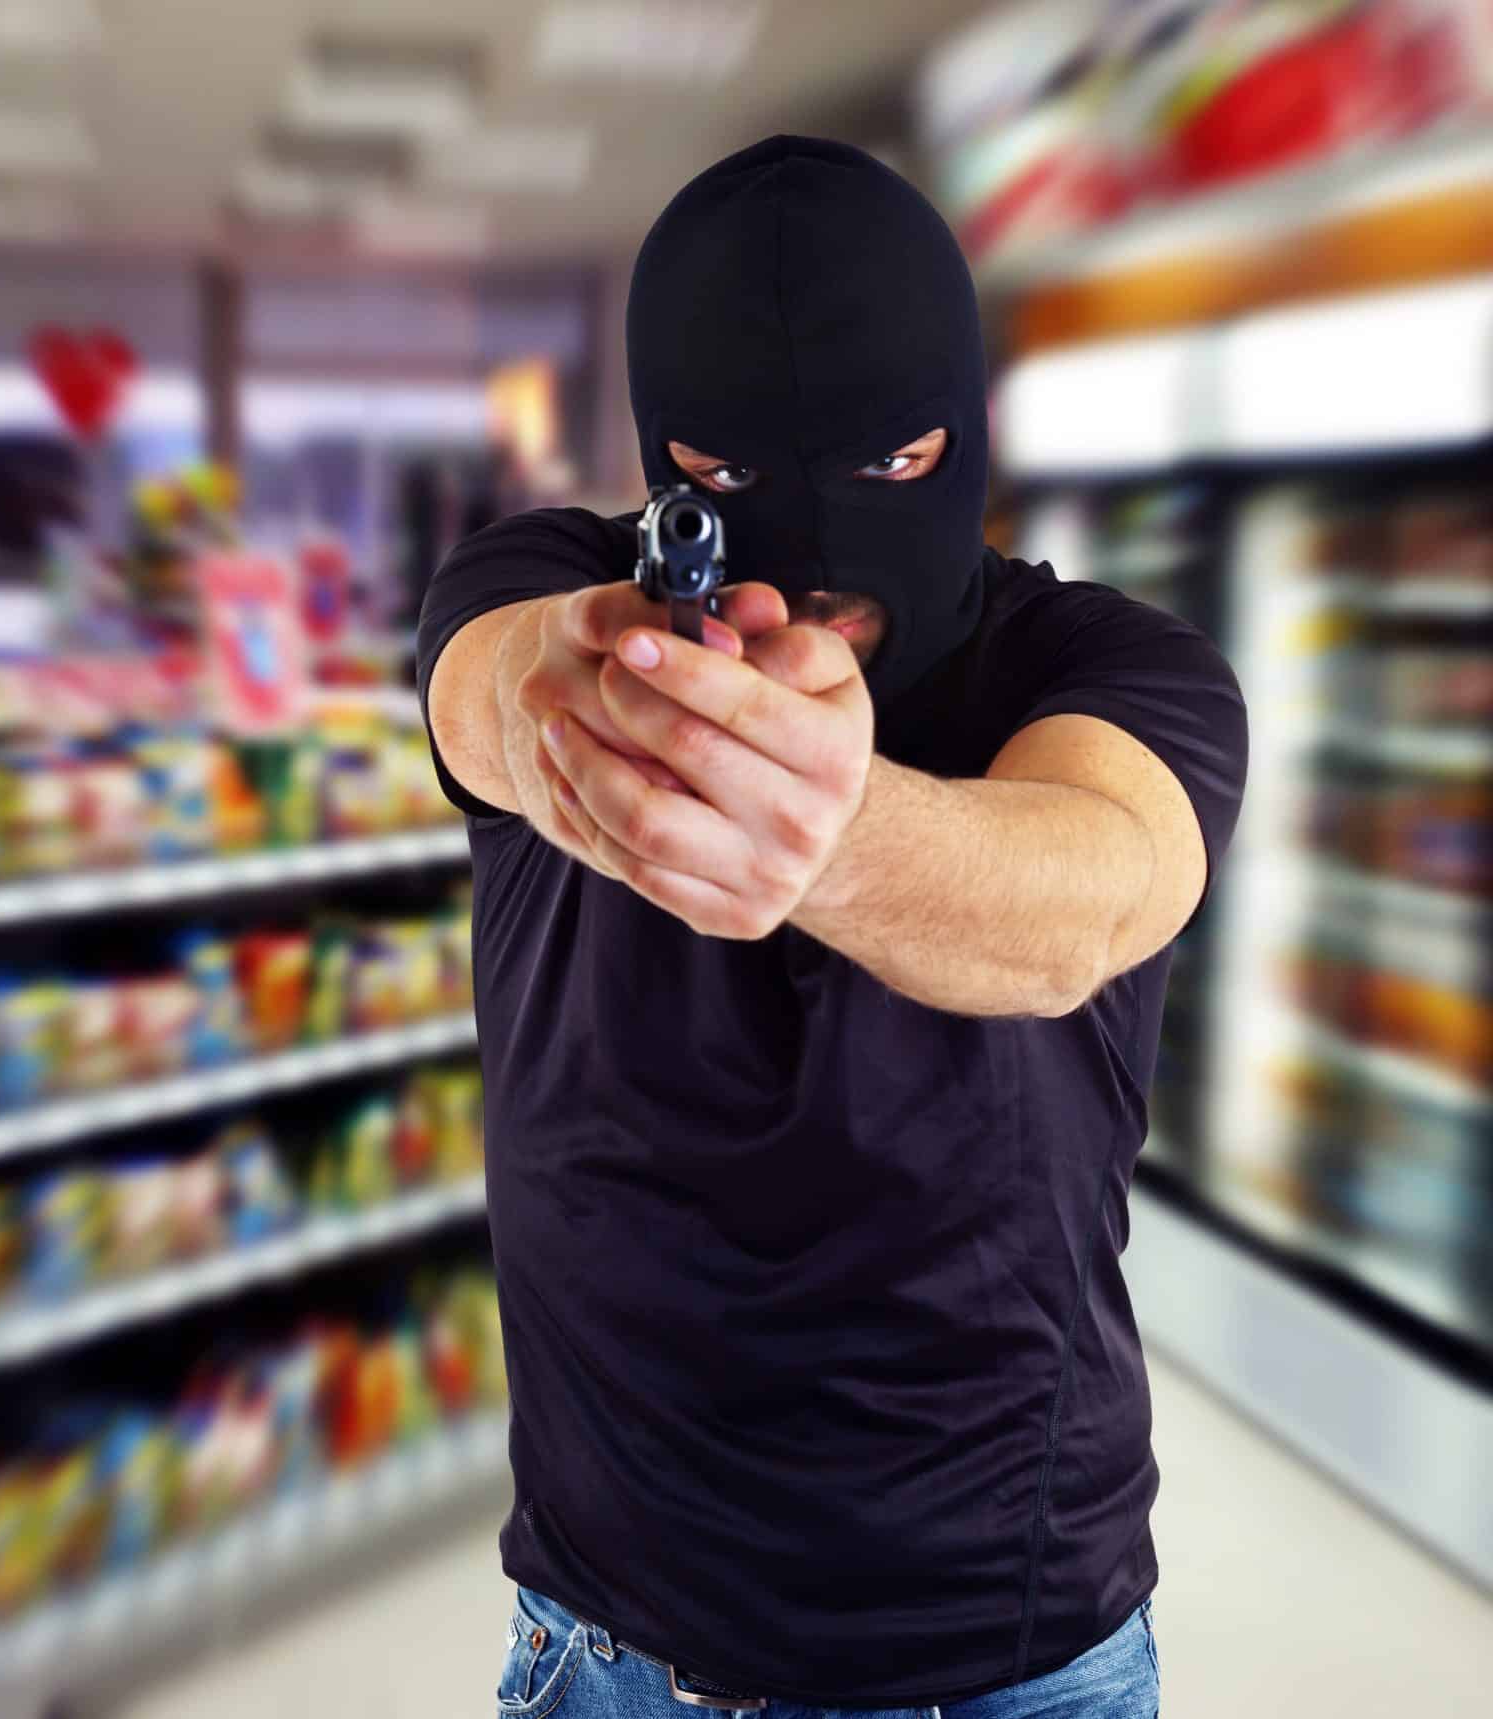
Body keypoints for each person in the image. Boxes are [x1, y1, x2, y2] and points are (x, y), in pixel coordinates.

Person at [417, 137, 1247, 1719]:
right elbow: (486, 691)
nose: (816, 549)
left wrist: (839, 835)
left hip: (1005, 1654)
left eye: (896, 465)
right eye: (724, 482)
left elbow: (1092, 886)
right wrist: (580, 718)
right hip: (605, 1644)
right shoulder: (554, 585)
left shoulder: (1116, 667)